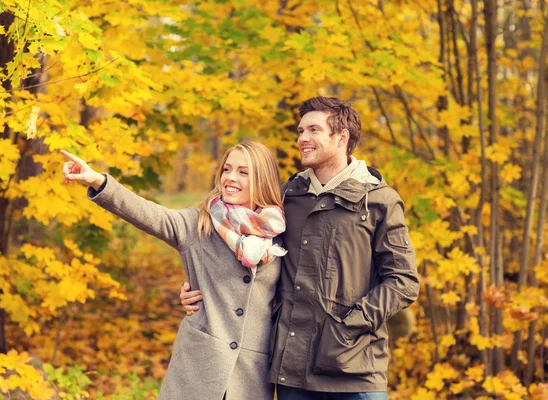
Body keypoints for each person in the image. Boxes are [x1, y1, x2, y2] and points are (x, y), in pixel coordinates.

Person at [181, 96, 420, 399]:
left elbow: (403, 282)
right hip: (293, 372)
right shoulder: (286, 199)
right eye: (300, 131)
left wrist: (347, 327)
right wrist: (196, 286)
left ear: (341, 137)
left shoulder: (378, 200)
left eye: (313, 130)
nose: (302, 139)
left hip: (355, 371)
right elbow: (245, 252)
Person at [60, 140, 287, 400]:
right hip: (198, 368)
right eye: (227, 169)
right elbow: (147, 213)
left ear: (262, 179)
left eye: (243, 172)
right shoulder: (197, 224)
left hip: (250, 376)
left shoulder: (278, 232)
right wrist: (97, 181)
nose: (230, 178)